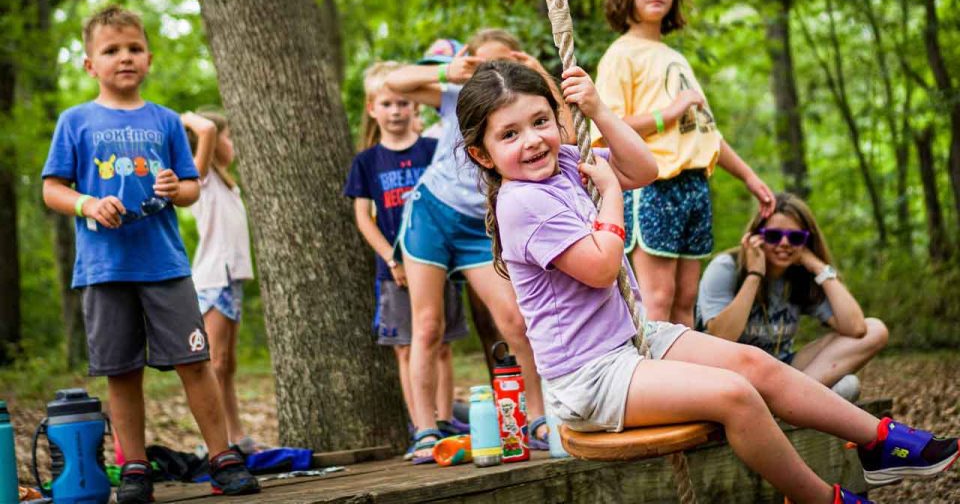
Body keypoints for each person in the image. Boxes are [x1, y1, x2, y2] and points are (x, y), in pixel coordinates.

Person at [456, 59, 959, 504]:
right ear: (483, 155)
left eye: (541, 121)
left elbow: (644, 167)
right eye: (510, 134)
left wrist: (602, 112)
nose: (533, 140)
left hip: (632, 340)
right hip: (588, 377)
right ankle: (821, 499)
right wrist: (608, 193)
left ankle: (880, 442)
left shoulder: (566, 161)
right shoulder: (522, 203)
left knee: (752, 362)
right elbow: (602, 265)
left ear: (558, 118)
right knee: (735, 394)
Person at [41, 6, 259, 503]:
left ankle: (222, 458)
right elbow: (53, 189)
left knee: (194, 360)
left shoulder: (163, 120)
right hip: (104, 268)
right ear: (88, 64)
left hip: (165, 265)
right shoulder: (75, 121)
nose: (125, 58)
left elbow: (190, 188)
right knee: (121, 370)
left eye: (134, 49)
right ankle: (135, 468)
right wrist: (88, 202)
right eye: (111, 50)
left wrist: (174, 188)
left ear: (149, 58)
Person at [592, 0, 775, 327]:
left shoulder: (674, 57)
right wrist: (668, 113)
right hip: (654, 183)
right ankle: (654, 384)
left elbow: (706, 134)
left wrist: (749, 177)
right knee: (657, 299)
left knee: (686, 301)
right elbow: (608, 127)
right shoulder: (621, 54)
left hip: (694, 186)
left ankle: (689, 384)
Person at [385, 39, 549, 463]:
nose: (497, 64)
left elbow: (562, 121)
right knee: (427, 324)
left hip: (478, 225)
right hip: (432, 215)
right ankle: (424, 430)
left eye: (507, 58)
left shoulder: (526, 111)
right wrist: (447, 72)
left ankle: (538, 415)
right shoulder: (458, 94)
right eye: (488, 58)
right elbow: (393, 81)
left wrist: (536, 69)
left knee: (515, 319)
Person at [343, 62, 469, 458]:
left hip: (438, 263)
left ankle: (445, 420)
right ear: (372, 108)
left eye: (402, 103)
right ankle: (421, 425)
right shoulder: (366, 162)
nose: (396, 111)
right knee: (406, 346)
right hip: (393, 272)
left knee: (442, 343)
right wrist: (392, 260)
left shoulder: (432, 150)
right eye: (387, 104)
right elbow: (364, 217)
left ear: (415, 108)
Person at [698, 193, 888, 402]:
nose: (785, 243)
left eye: (796, 237)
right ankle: (793, 400)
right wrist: (755, 274)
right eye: (773, 236)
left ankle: (789, 400)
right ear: (756, 237)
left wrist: (817, 266)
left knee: (874, 331)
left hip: (781, 370)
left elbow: (856, 327)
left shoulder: (800, 276)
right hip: (731, 374)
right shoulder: (726, 267)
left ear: (807, 241)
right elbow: (721, 337)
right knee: (842, 389)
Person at [181, 110, 261, 453]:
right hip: (212, 279)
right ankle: (215, 441)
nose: (231, 143)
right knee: (213, 362)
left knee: (227, 363)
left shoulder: (226, 182)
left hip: (231, 279)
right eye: (227, 137)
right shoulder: (200, 178)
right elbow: (208, 129)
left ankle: (235, 433)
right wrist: (187, 118)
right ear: (209, 145)